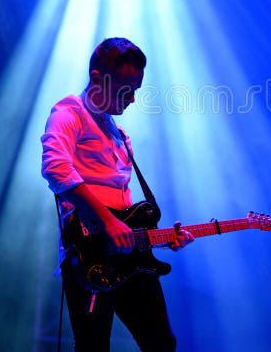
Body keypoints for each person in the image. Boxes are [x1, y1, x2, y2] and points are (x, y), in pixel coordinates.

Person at [41, 37, 193, 351]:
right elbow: (55, 167)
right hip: (89, 256)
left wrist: (159, 237)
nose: (133, 99)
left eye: (136, 90)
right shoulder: (69, 112)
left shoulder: (119, 134)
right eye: (126, 89)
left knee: (162, 344)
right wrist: (107, 222)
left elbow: (127, 213)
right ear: (97, 79)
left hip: (130, 260)